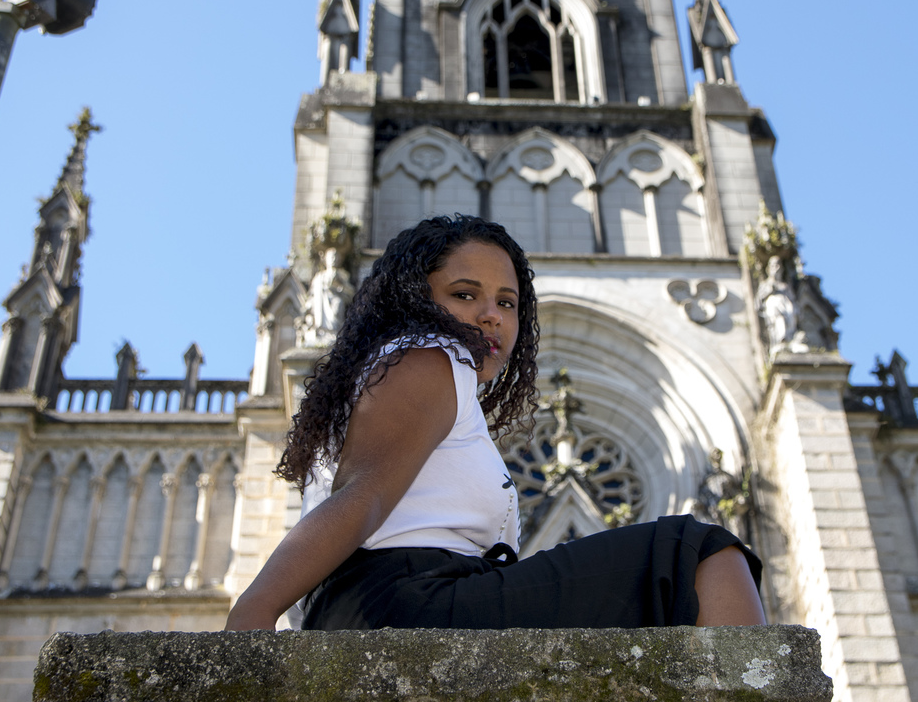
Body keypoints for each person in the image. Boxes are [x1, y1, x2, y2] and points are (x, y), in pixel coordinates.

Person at [225, 215, 765, 631]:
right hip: (403, 601)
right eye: (465, 294)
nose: (492, 314)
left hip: (396, 599)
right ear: (416, 299)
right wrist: (254, 610)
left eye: (507, 302)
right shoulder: (430, 357)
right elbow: (361, 495)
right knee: (699, 552)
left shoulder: (408, 369)